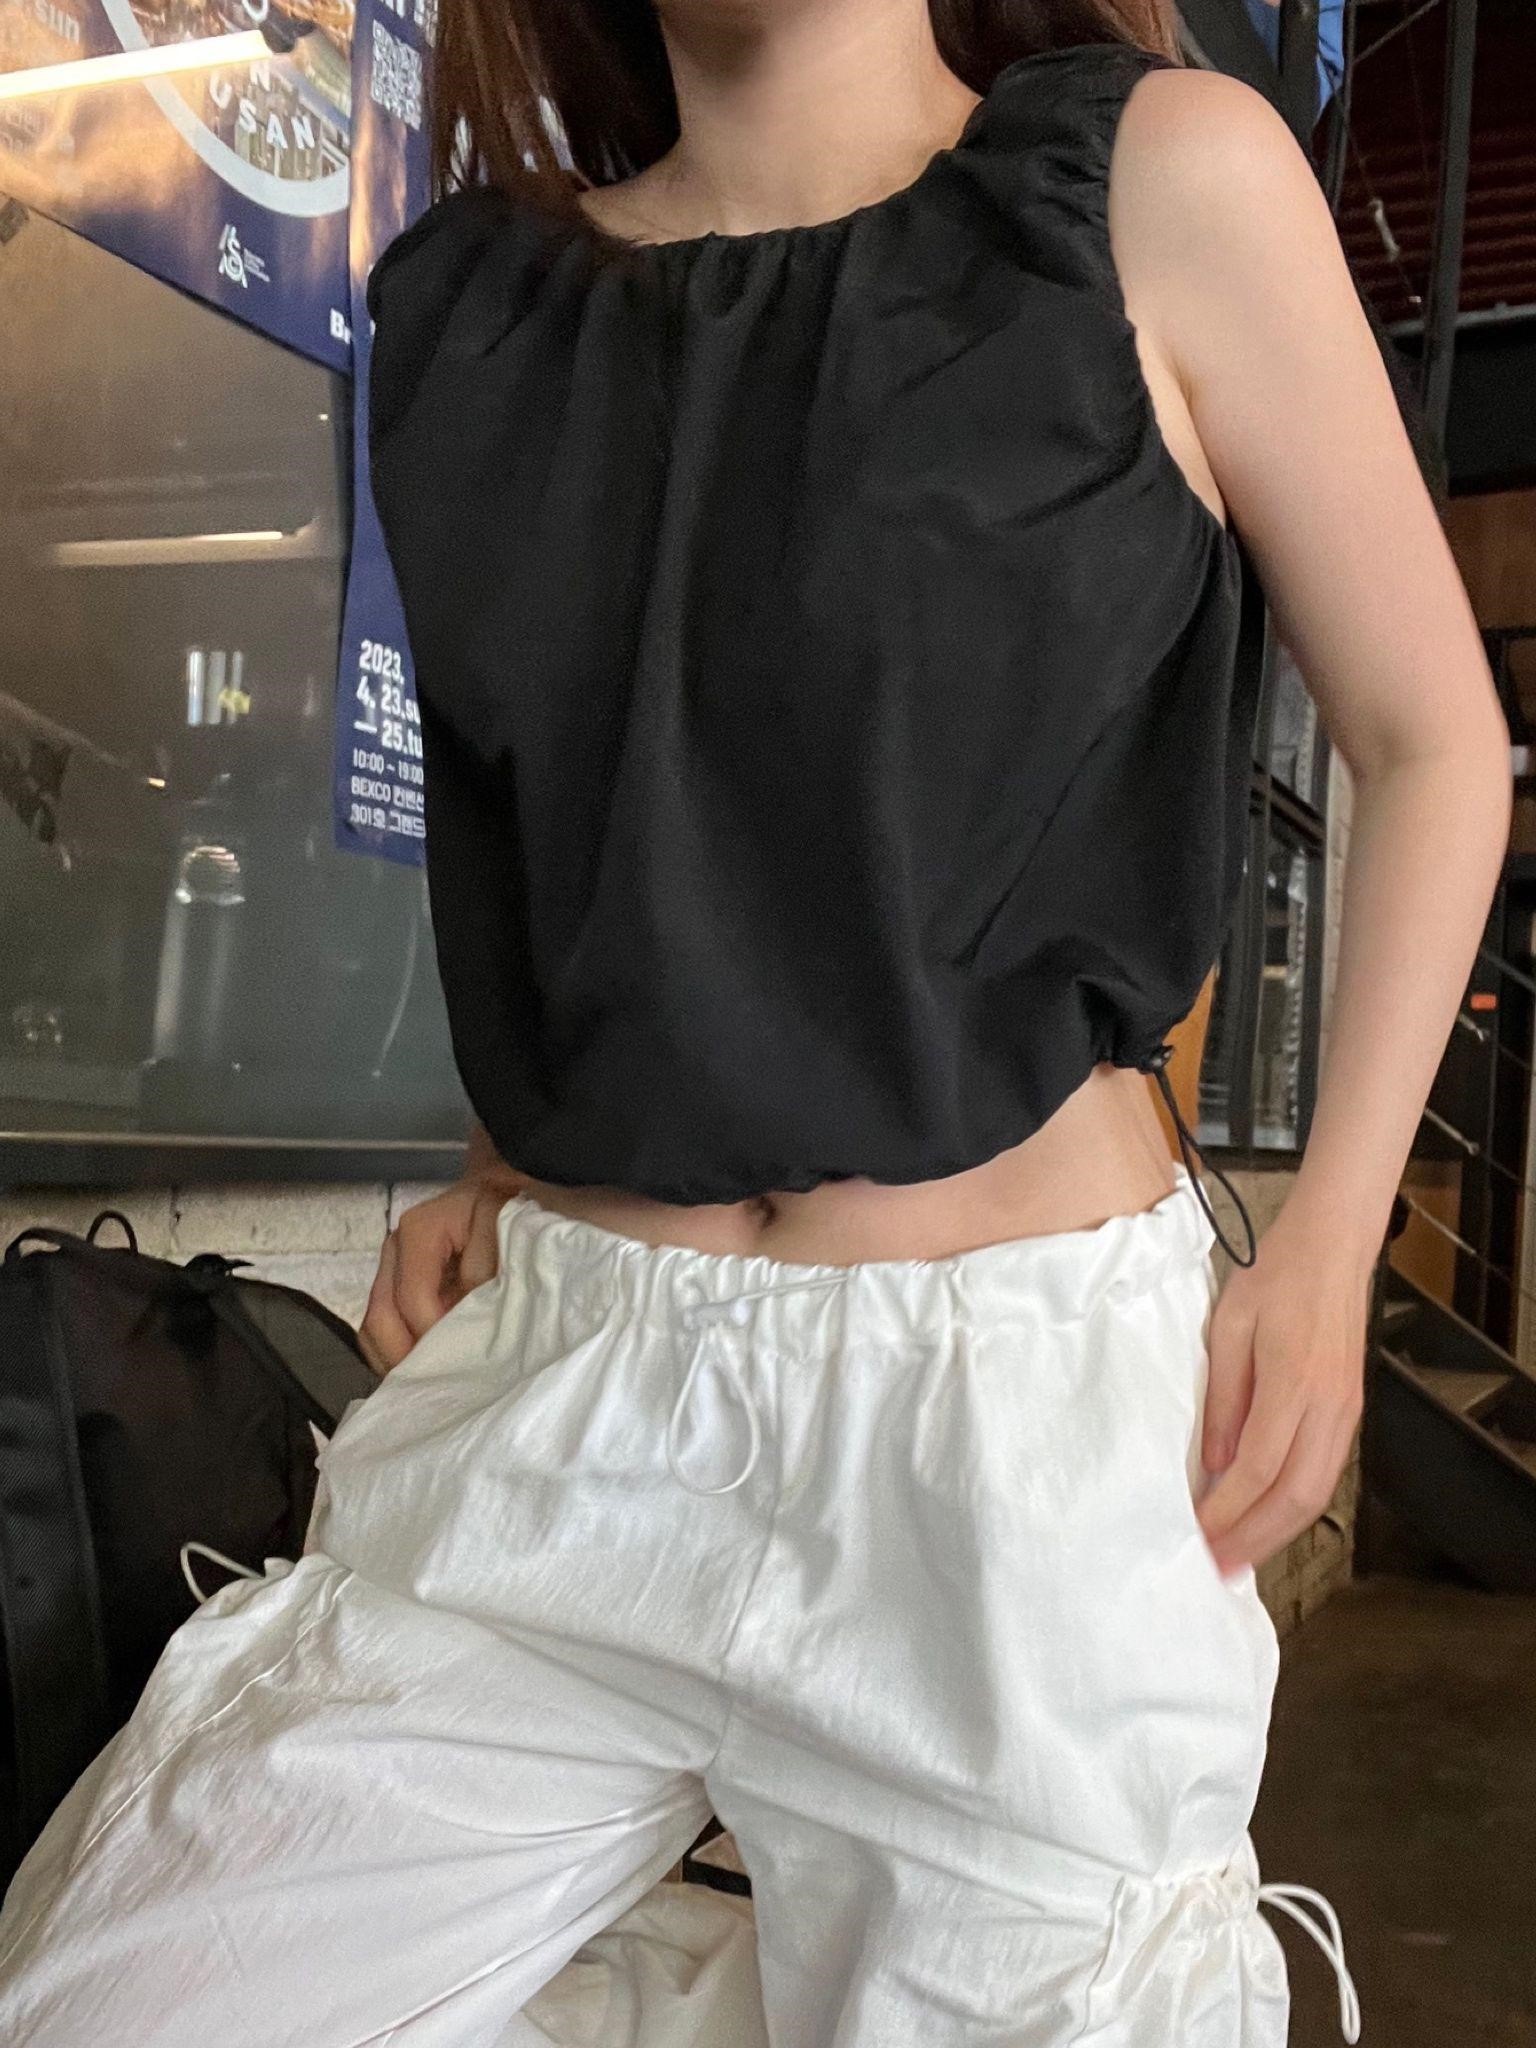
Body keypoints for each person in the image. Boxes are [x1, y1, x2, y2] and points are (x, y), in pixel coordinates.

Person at [0, 1, 1510, 2042]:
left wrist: (1328, 1247)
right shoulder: (473, 304)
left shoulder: (1155, 184)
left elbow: (1432, 741)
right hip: (577, 1386)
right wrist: (497, 1165)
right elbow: (567, 814)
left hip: (1007, 1435)